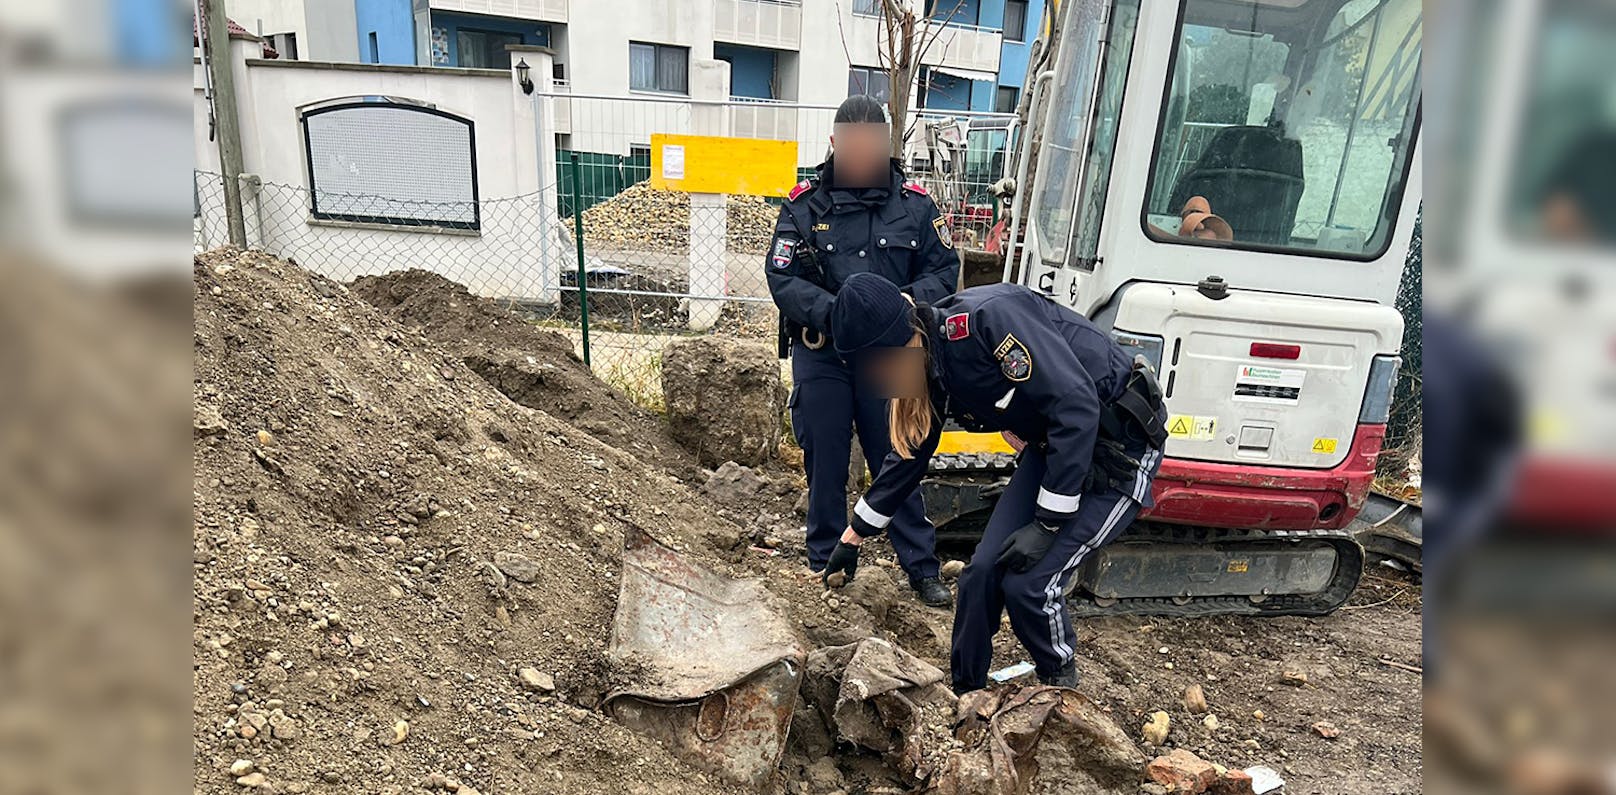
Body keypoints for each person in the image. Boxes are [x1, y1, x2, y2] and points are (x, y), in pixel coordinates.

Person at [824, 272, 1168, 691]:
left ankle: (1060, 687)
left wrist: (1047, 524)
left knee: (1030, 587)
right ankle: (966, 694)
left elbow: (1075, 405)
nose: (878, 379)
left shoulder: (986, 322)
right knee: (980, 574)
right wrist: (853, 535)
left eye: (876, 365)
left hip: (1119, 447)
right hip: (1057, 447)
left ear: (894, 344)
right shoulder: (928, 356)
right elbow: (910, 452)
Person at [765, 94, 959, 608]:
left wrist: (903, 306)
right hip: (824, 349)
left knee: (901, 454)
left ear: (886, 145)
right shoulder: (803, 205)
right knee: (825, 457)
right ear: (834, 143)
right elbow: (782, 277)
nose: (860, 159)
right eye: (850, 149)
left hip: (894, 349)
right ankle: (827, 561)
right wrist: (839, 314)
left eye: (871, 149)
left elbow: (944, 270)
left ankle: (921, 567)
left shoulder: (916, 207)